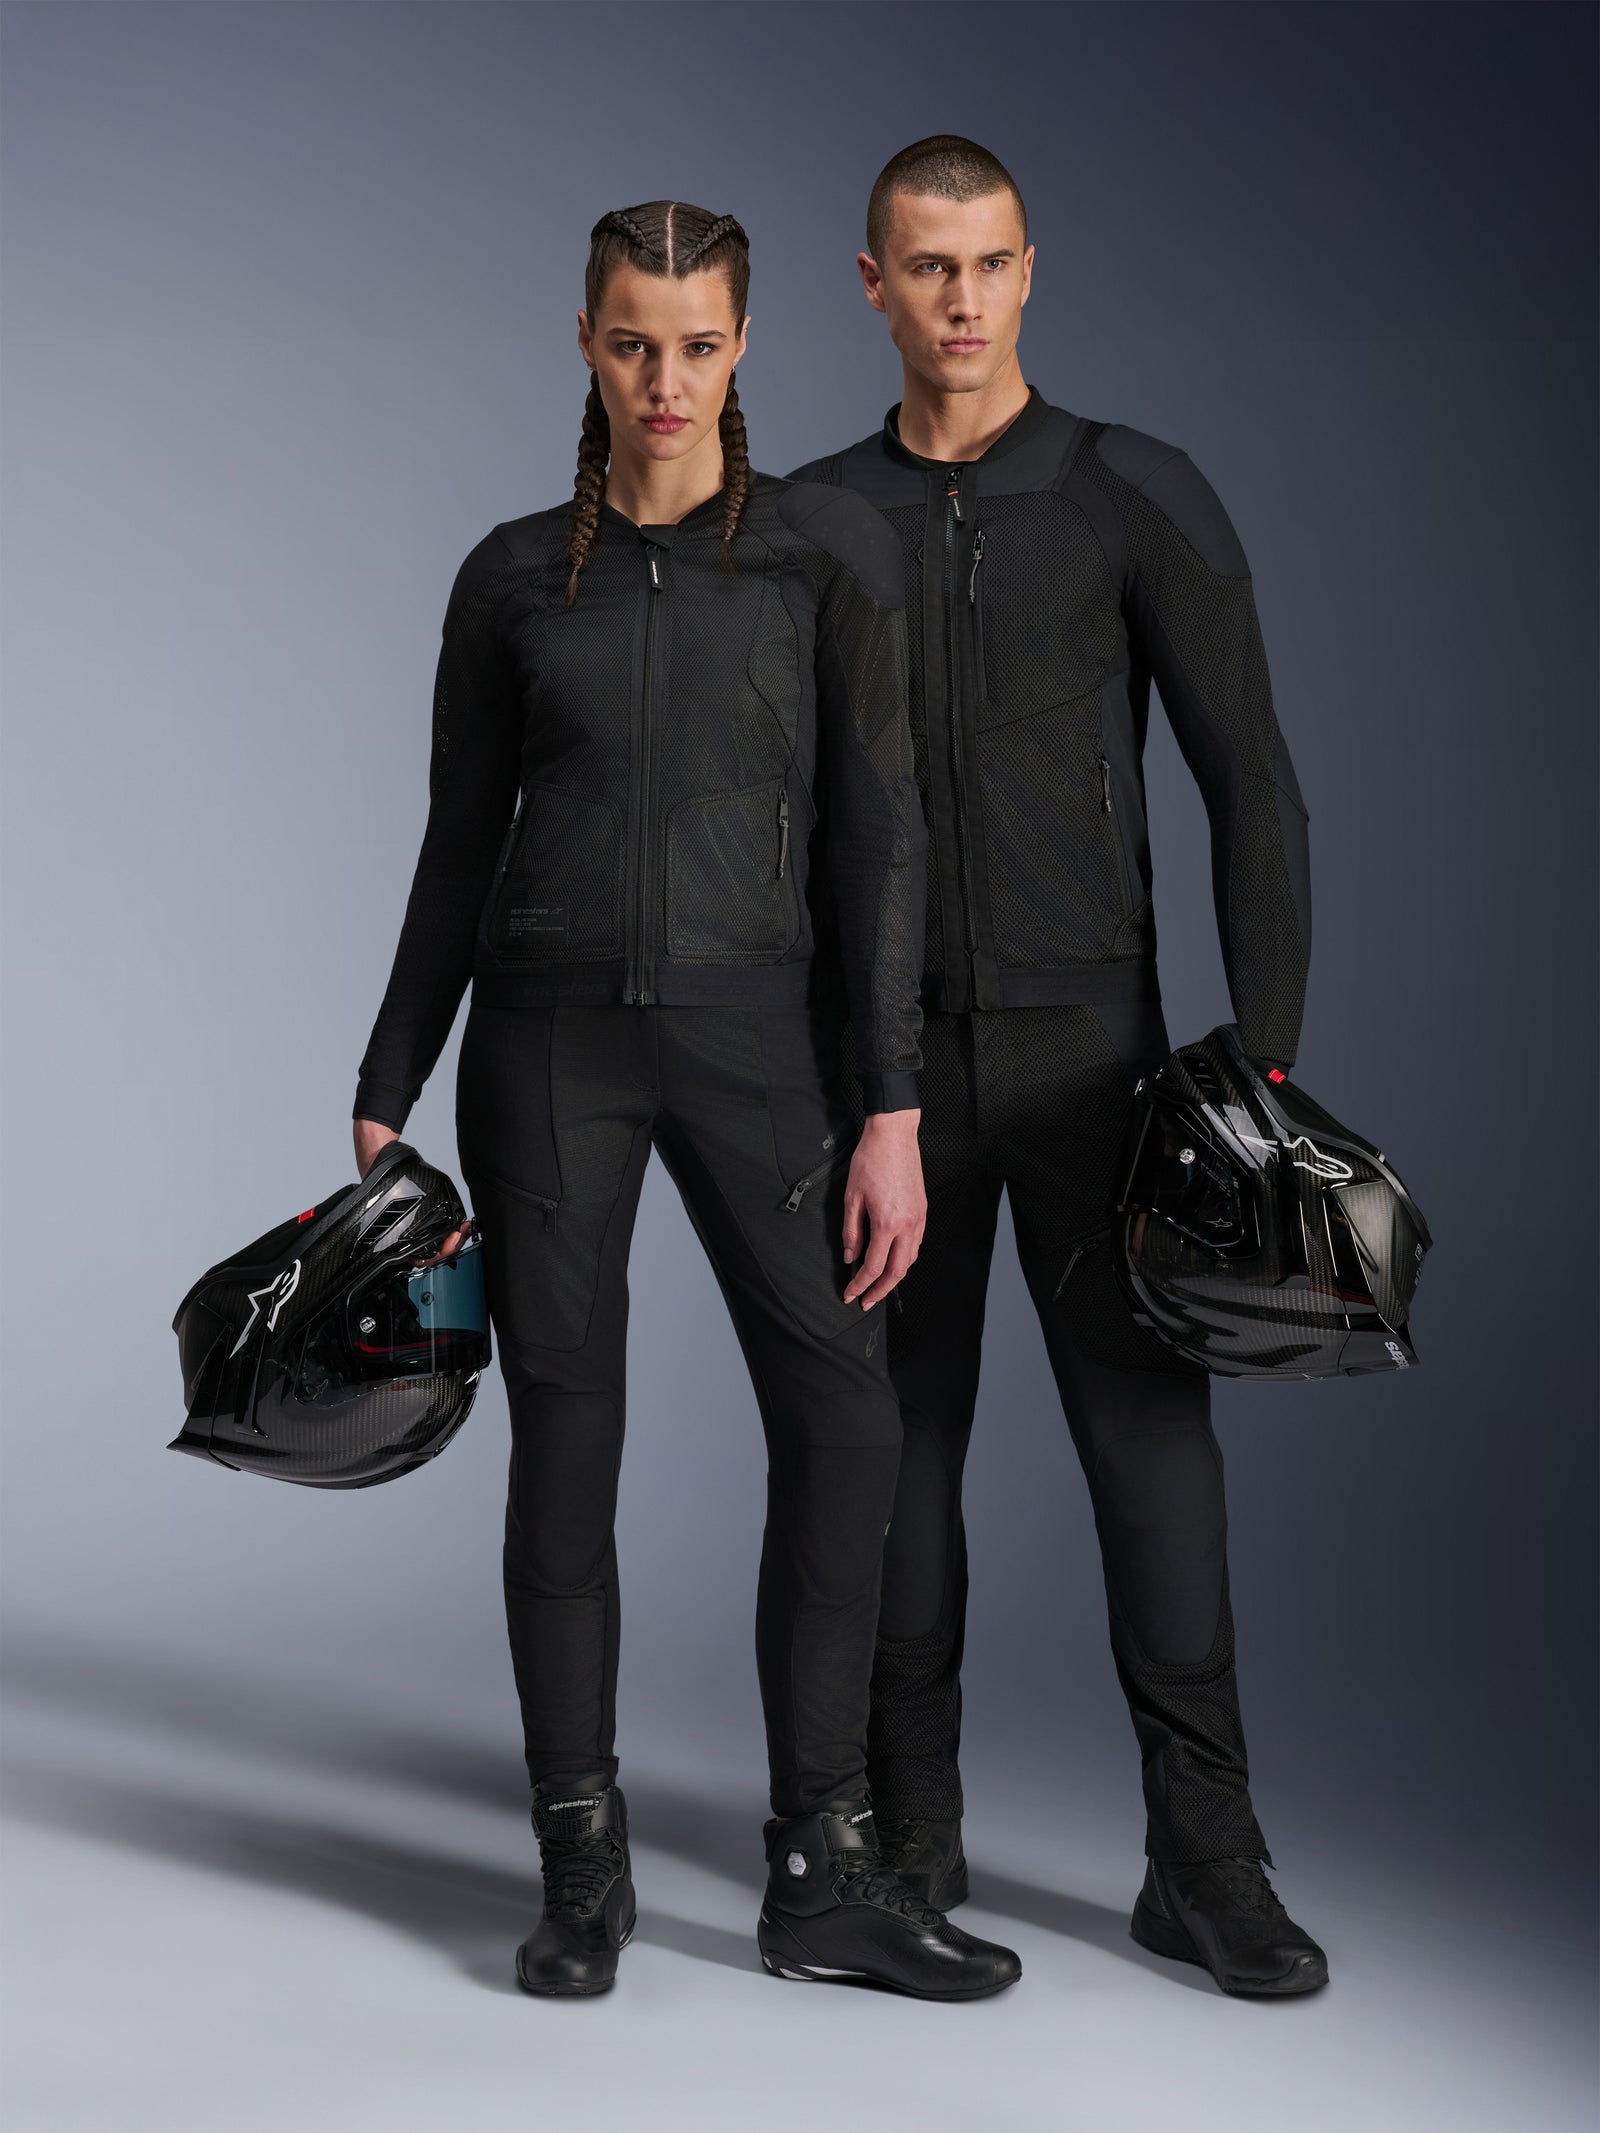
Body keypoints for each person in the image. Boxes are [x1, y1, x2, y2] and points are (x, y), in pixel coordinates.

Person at [351, 199, 1021, 2001]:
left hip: (758, 1049)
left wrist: (893, 1104)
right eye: (635, 342)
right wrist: (388, 1078)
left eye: (700, 345)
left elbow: (882, 847)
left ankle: (823, 1865)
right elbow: (457, 842)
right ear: (586, 341)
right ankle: (581, 1863)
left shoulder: (819, 556)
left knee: (852, 1425)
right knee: (567, 1446)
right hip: (545, 1055)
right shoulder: (511, 578)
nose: (667, 380)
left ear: (743, 346)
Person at [789, 137, 1329, 1996]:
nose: (962, 298)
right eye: (927, 265)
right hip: (887, 1088)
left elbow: (1255, 786)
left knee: (1152, 1456)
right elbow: (764, 820)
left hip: (1098, 1067)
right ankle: (911, 1844)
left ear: (1032, 272)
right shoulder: (812, 519)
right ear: (873, 281)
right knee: (899, 1463)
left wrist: (1261, 1074)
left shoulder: (1132, 492)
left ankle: (1209, 1860)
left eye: (991, 262)